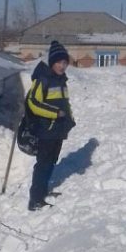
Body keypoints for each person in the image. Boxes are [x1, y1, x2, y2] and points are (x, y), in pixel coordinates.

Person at [26, 40, 75, 211]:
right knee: (43, 163)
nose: (62, 66)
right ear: (52, 62)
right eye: (59, 62)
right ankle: (35, 200)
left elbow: (64, 104)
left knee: (52, 161)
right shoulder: (43, 79)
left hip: (57, 130)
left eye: (65, 63)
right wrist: (55, 114)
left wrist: (69, 119)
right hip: (45, 129)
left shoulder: (61, 80)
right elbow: (33, 103)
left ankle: (43, 191)